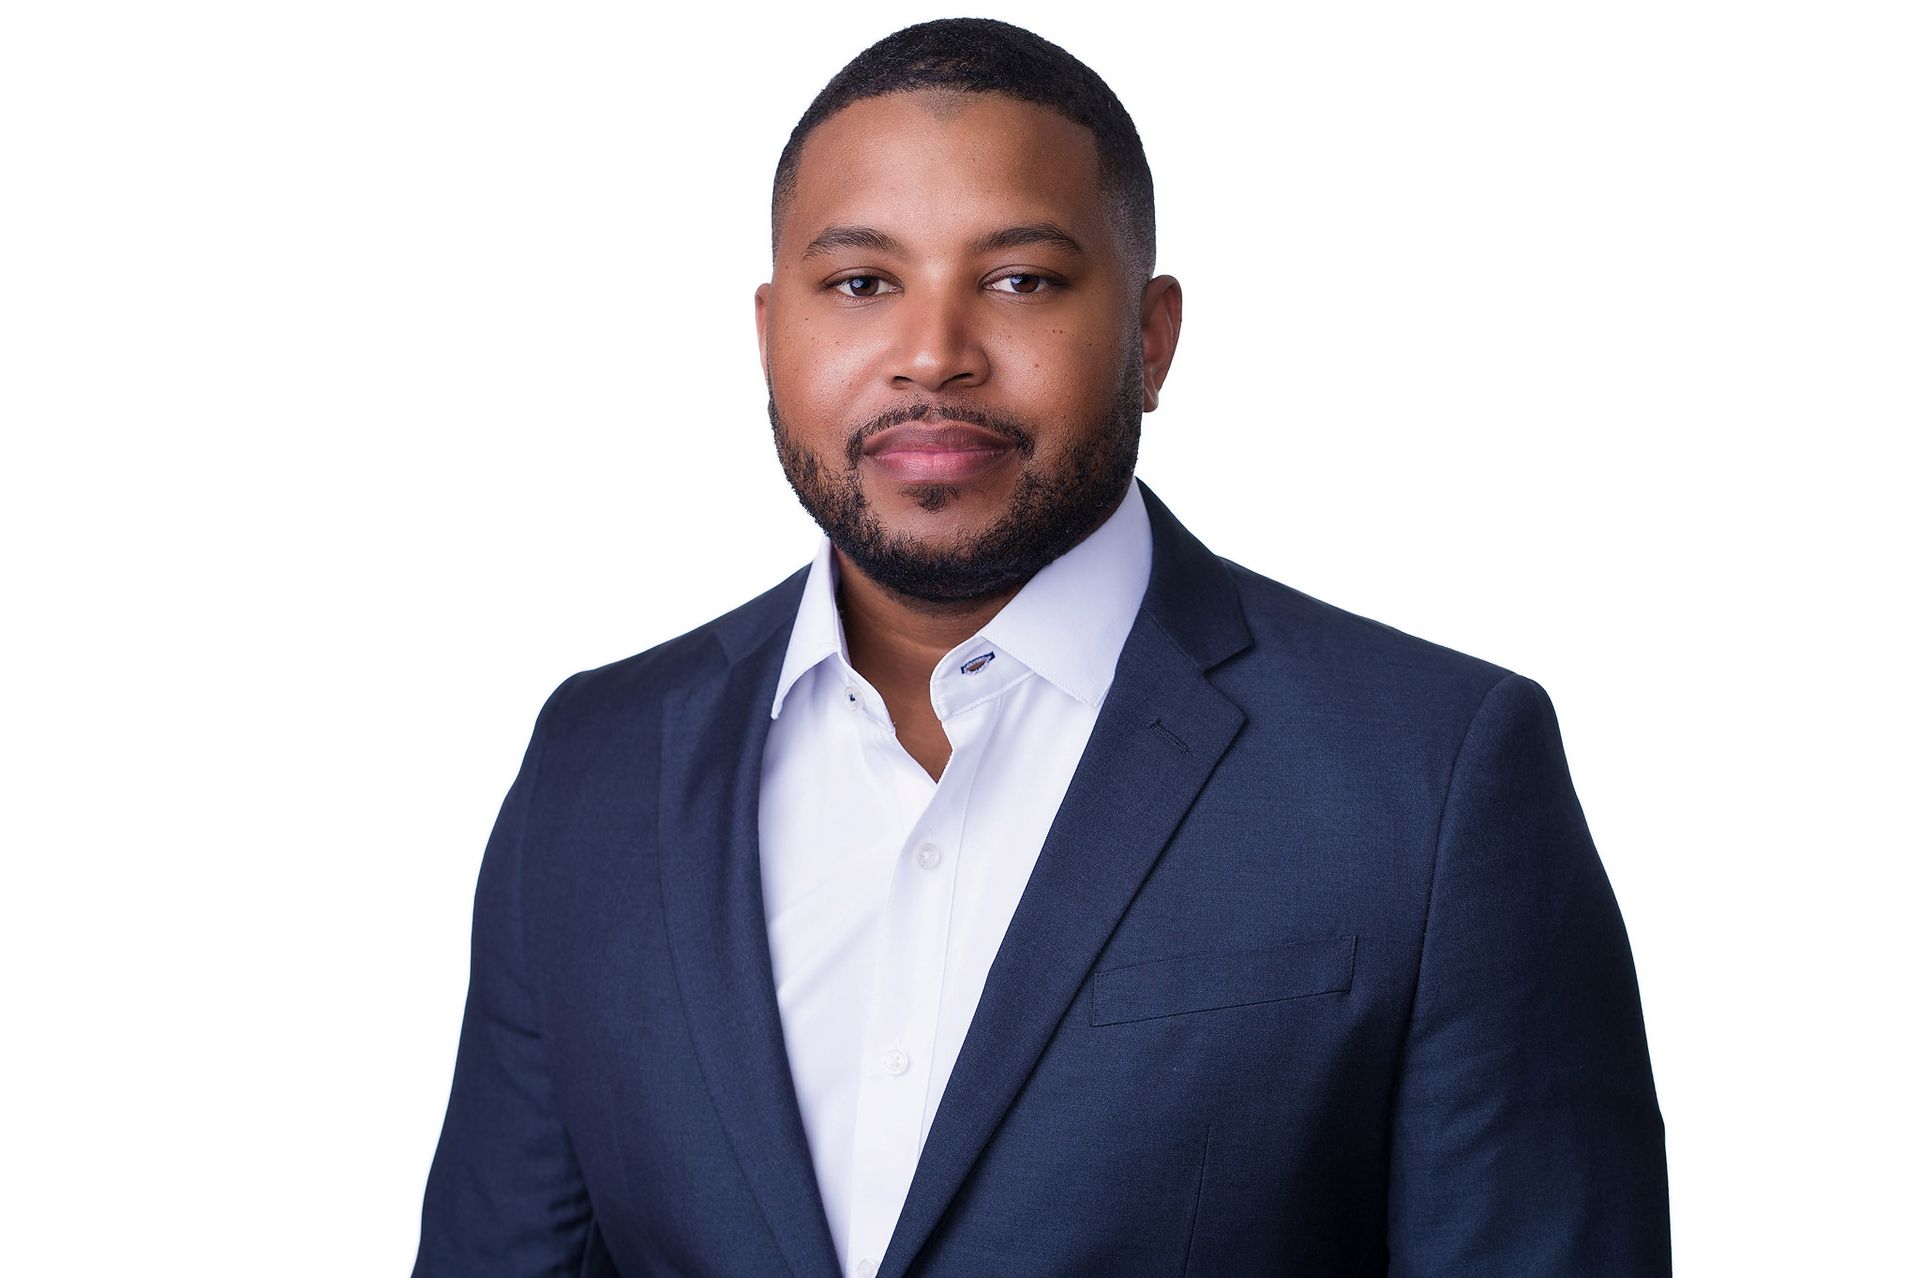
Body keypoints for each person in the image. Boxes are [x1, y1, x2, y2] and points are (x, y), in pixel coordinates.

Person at [412, 18, 1670, 1277]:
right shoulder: (594, 764)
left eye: (1020, 280)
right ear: (767, 332)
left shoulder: (1432, 776)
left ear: (1152, 336)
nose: (932, 354)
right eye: (860, 283)